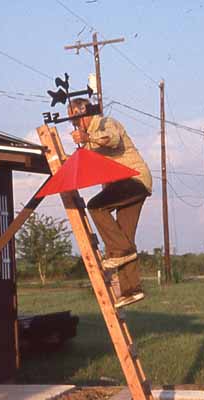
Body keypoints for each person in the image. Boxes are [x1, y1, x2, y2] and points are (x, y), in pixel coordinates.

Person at [68, 98, 152, 307]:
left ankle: (120, 252)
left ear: (83, 113)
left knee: (95, 206)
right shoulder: (88, 140)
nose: (74, 125)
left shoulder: (105, 123)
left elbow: (112, 140)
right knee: (124, 238)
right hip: (127, 184)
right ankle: (132, 290)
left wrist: (87, 136)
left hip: (134, 178)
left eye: (75, 120)